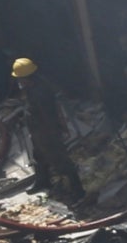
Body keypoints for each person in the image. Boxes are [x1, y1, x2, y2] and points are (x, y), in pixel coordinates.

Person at [11, 56, 84, 203]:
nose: (18, 82)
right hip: (38, 129)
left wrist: (52, 133)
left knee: (59, 159)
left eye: (20, 78)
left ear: (26, 77)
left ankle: (77, 190)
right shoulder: (32, 87)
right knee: (38, 156)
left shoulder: (41, 92)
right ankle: (43, 181)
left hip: (46, 130)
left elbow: (48, 114)